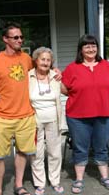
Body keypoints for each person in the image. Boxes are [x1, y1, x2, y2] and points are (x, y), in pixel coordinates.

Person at [0, 22, 36, 195]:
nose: (20, 40)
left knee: (22, 152)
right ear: (5, 39)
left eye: (21, 37)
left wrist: (55, 70)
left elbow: (42, 71)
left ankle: (18, 185)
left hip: (25, 115)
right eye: (16, 37)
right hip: (3, 117)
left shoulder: (26, 58)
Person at [61, 34, 109, 194]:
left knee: (102, 147)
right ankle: (78, 180)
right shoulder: (73, 68)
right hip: (77, 116)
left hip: (103, 113)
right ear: (81, 49)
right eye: (87, 46)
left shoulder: (105, 65)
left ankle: (105, 177)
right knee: (80, 148)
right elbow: (63, 87)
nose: (91, 49)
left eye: (93, 45)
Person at [29, 47, 66, 195]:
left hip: (53, 119)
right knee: (36, 153)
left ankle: (55, 181)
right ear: (36, 60)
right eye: (42, 59)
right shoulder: (28, 77)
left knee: (54, 152)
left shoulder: (55, 76)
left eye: (48, 60)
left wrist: (61, 77)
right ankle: (39, 183)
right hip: (34, 120)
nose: (45, 62)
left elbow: (67, 91)